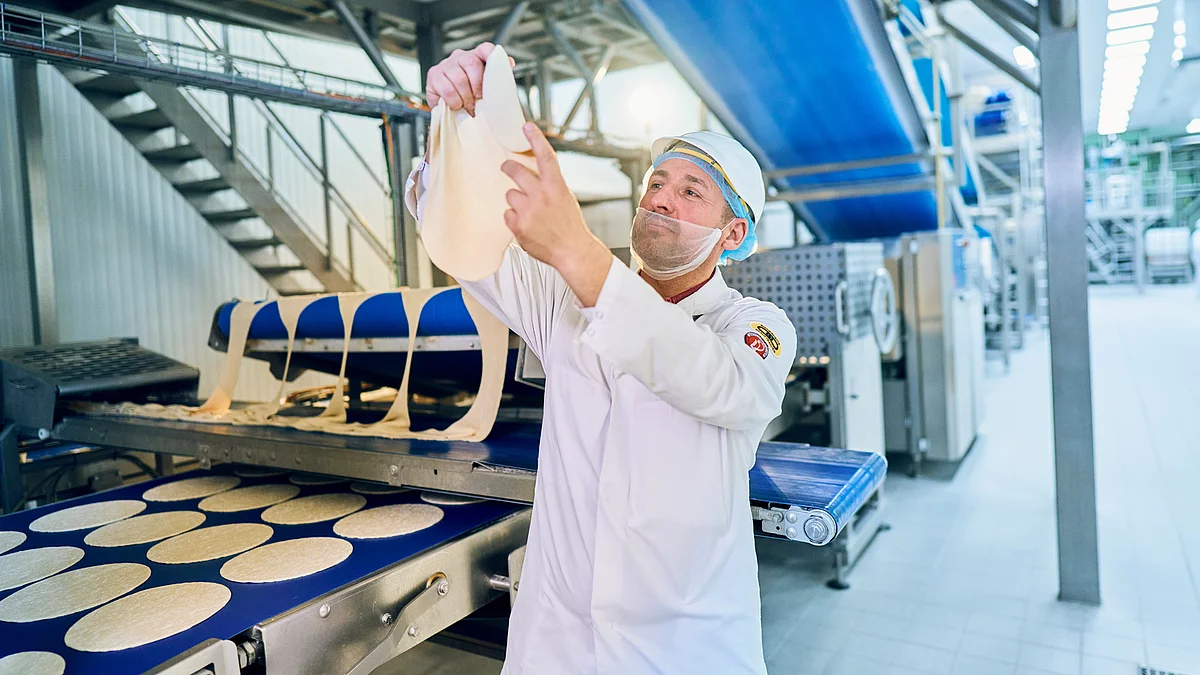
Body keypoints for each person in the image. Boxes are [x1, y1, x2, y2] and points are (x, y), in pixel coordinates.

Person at [406, 42, 797, 675]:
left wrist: (575, 247)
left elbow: (716, 382)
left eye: (692, 190)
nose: (661, 199)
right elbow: (466, 233)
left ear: (733, 236)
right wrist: (458, 127)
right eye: (657, 183)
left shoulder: (755, 328)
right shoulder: (563, 300)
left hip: (683, 649)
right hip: (559, 643)